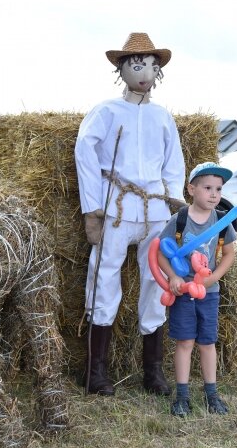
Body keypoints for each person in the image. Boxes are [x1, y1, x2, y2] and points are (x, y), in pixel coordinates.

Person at [74, 33, 186, 397]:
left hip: (153, 209)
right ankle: (96, 372)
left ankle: (152, 372)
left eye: (151, 67)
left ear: (158, 73)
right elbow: (85, 154)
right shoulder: (106, 111)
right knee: (104, 275)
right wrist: (93, 206)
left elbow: (173, 162)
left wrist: (173, 200)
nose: (144, 73)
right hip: (116, 208)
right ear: (120, 68)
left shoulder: (161, 117)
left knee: (156, 279)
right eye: (136, 65)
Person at [158, 162, 237, 417]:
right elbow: (160, 253)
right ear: (191, 189)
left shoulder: (222, 222)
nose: (214, 194)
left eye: (218, 189)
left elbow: (228, 253)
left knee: (207, 343)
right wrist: (172, 277)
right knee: (185, 342)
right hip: (183, 294)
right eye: (207, 188)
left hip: (208, 294)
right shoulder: (179, 220)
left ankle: (211, 394)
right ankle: (182, 396)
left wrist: (213, 277)